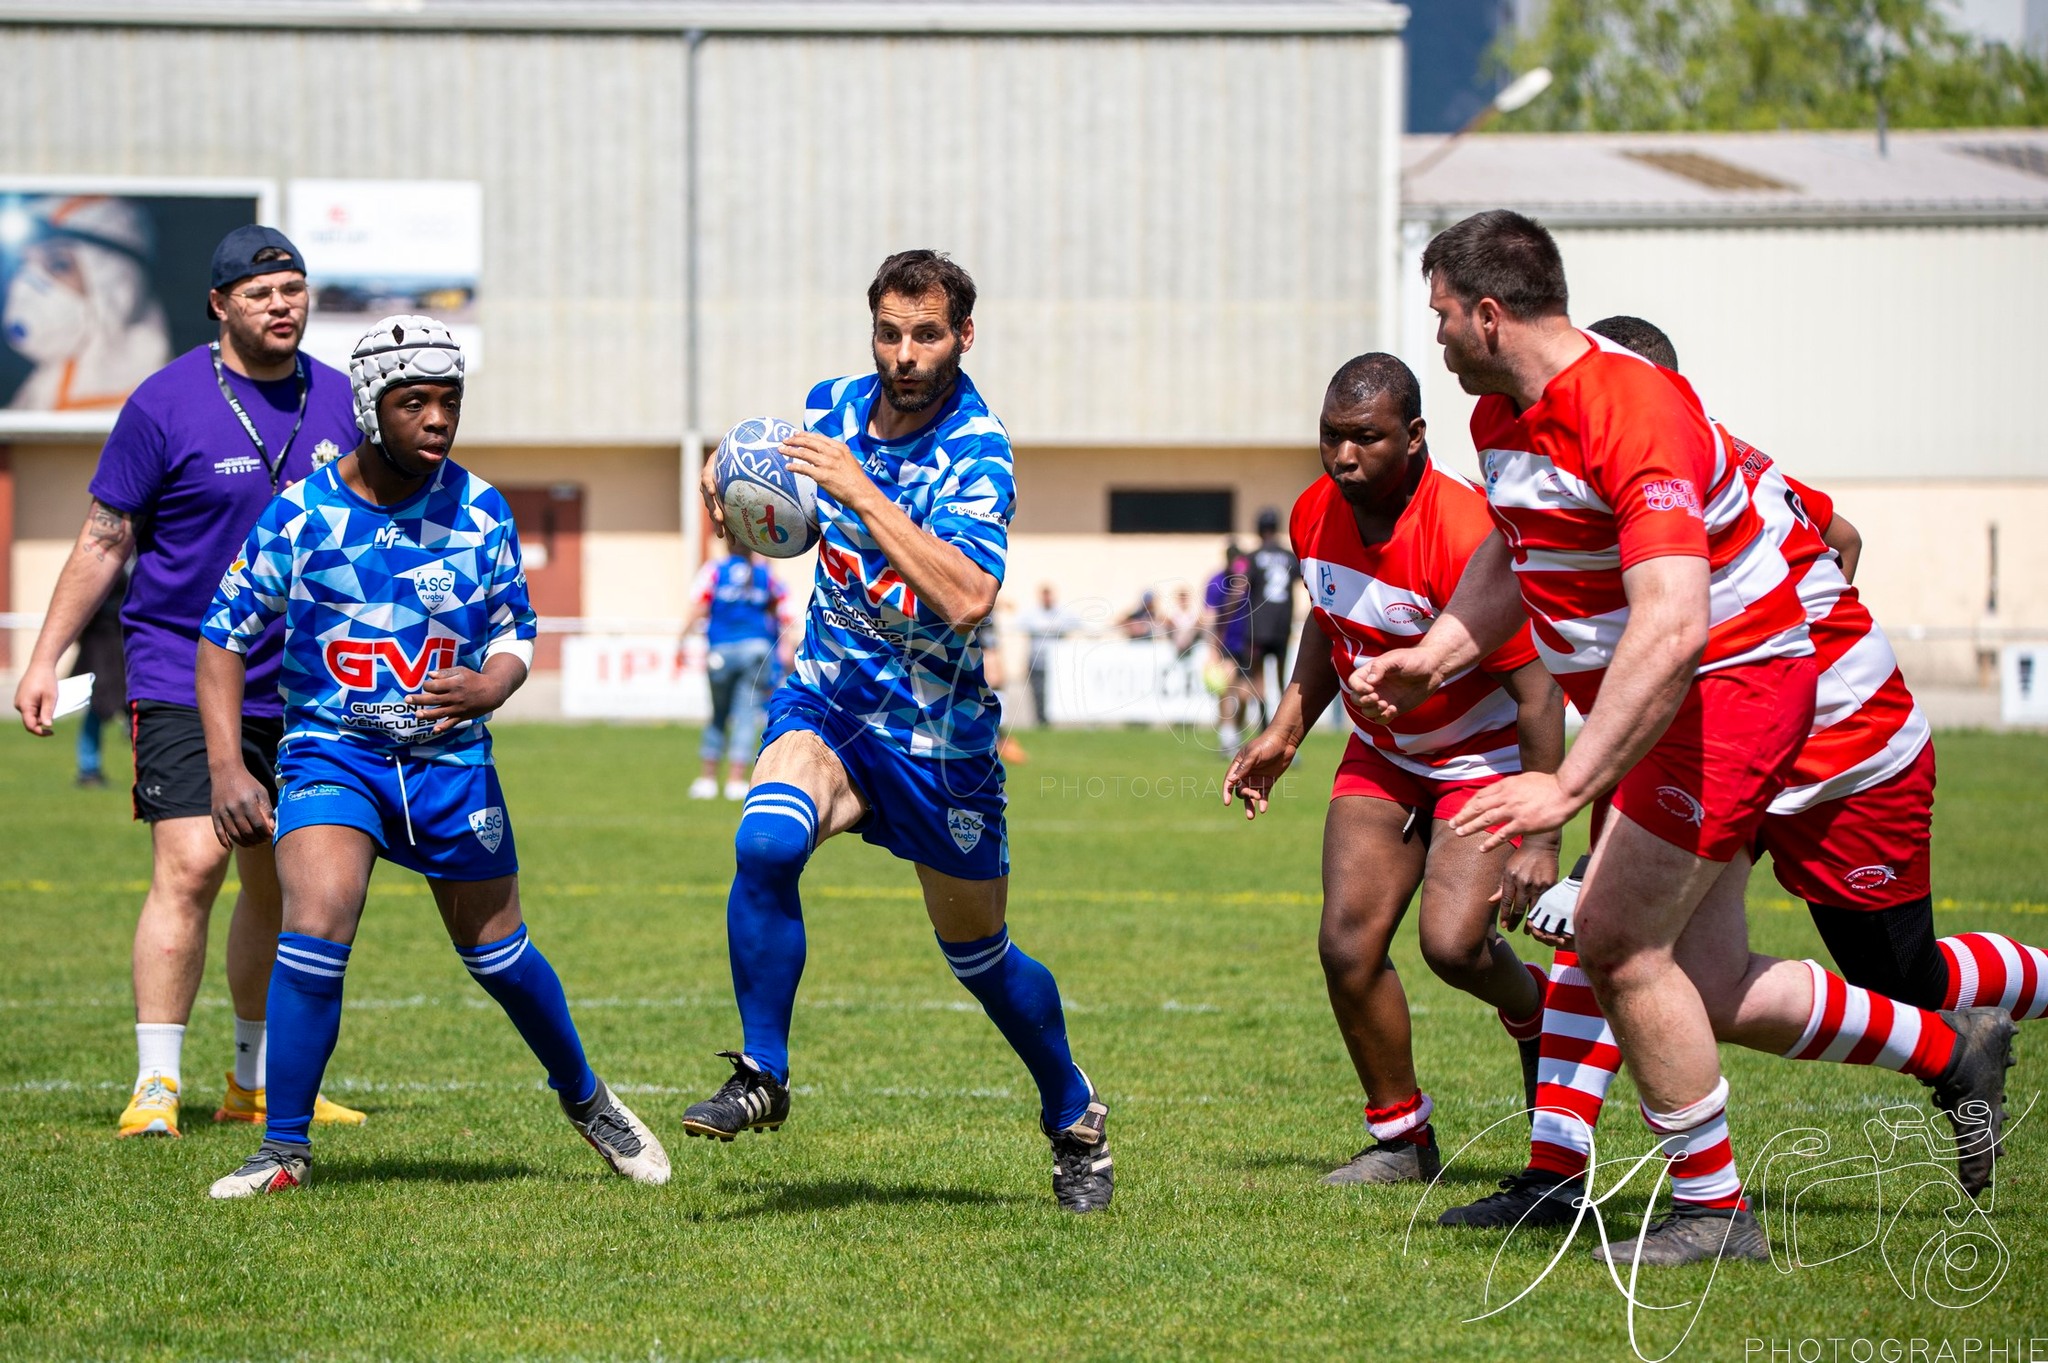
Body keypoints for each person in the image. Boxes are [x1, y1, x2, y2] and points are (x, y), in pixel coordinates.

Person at [1355, 211, 2010, 1265]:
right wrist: (1432, 654)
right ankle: (1948, 1049)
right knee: (1689, 977)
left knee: (1617, 940)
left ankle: (1712, 1213)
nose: (1429, 338)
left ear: (1487, 313)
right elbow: (1509, 558)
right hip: (1683, 702)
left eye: (1438, 315)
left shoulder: (1627, 407)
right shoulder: (1500, 413)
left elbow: (1672, 621)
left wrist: (1563, 787)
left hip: (1729, 696)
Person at [196, 315, 669, 1197]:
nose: (438, 419)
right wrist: (227, 767)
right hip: (334, 754)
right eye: (415, 402)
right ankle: (281, 1149)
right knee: (319, 916)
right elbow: (222, 635)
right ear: (372, 408)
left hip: (452, 766)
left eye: (448, 401)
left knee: (497, 951)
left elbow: (515, 629)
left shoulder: (480, 506)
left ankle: (587, 1097)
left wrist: (493, 685)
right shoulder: (302, 512)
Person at [689, 250, 1112, 1213]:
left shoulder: (979, 447)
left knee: (981, 958)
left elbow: (967, 595)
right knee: (764, 839)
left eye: (927, 334)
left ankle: (1073, 1112)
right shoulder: (832, 404)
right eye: (890, 332)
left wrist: (860, 491)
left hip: (939, 739)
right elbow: (752, 460)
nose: (905, 354)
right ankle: (762, 1071)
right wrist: (730, 482)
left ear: (964, 336)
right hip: (831, 702)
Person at [12, 225, 365, 1138]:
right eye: (259, 293)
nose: (281, 305)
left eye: (293, 288)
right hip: (178, 663)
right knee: (194, 860)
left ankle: (252, 1080)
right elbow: (105, 539)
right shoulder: (163, 402)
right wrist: (45, 656)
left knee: (286, 880)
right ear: (219, 305)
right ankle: (156, 1083)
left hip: (309, 680)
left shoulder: (341, 401)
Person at [1225, 353, 1560, 1184]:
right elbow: (1326, 621)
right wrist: (1285, 732)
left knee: (1452, 945)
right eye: (1331, 437)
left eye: (1365, 439)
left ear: (1413, 437)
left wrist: (1541, 833)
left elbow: (1540, 691)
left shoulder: (1467, 533)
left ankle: (1541, 1014)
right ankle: (1402, 1140)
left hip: (1483, 757)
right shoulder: (1314, 510)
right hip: (1382, 754)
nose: (1343, 458)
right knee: (1346, 943)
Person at [2, 195, 170, 412]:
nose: (26, 285)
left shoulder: (163, 406)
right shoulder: (40, 391)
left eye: (58, 265)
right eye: (24, 264)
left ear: (114, 282)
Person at [682, 543, 793, 800]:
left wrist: (682, 639)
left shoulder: (714, 571)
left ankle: (707, 780)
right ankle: (735, 781)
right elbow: (782, 611)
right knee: (746, 714)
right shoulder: (765, 574)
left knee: (719, 713)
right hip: (757, 649)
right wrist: (785, 646)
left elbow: (699, 606)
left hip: (721, 650)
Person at [71, 564, 128, 788]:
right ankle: (89, 769)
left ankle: (148, 769)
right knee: (97, 705)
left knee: (137, 707)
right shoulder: (103, 566)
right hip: (101, 647)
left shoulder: (136, 560)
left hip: (124, 646)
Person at [1243, 507, 1300, 725]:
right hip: (1282, 625)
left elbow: (1242, 587)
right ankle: (1283, 725)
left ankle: (1264, 721)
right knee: (1282, 679)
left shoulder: (1252, 558)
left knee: (1258, 679)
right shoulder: (1289, 557)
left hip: (1257, 626)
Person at [1202, 541, 1254, 750]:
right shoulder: (1216, 582)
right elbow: (1209, 617)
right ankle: (1226, 736)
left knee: (1244, 696)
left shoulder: (1249, 582)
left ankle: (1236, 734)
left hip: (1248, 644)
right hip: (1226, 644)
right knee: (1225, 687)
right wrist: (1211, 649)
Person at [1013, 583, 1075, 728]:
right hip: (1037, 660)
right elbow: (1016, 625)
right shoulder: (1031, 613)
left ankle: (1051, 719)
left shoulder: (1062, 613)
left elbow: (1077, 625)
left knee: (1053, 692)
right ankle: (1040, 721)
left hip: (1056, 662)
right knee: (1037, 691)